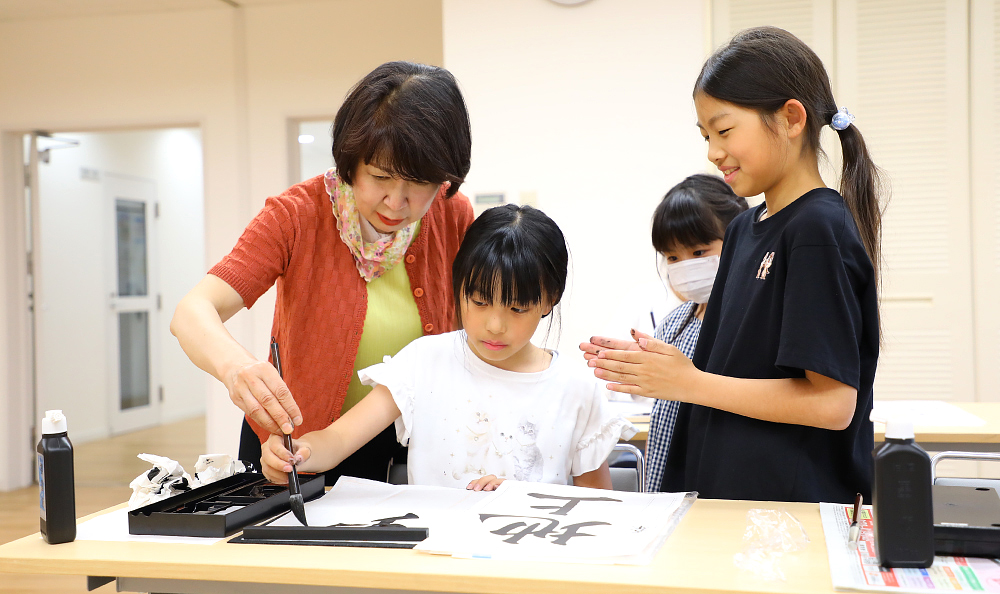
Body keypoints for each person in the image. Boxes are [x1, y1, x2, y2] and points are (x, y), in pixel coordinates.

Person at [583, 26, 884, 504]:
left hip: (789, 515)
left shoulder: (816, 229)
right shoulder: (745, 230)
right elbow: (720, 376)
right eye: (706, 136)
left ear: (790, 118)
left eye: (724, 131)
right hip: (725, 502)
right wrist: (668, 370)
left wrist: (690, 382)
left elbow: (832, 404)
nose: (713, 152)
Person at [170, 61, 474, 485]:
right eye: (380, 177)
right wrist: (236, 367)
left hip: (412, 444)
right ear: (351, 161)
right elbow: (192, 311)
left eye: (418, 183)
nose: (395, 202)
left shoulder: (452, 215)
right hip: (297, 446)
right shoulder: (297, 216)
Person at [261, 204, 636, 491]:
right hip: (435, 563)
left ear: (549, 299)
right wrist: (299, 453)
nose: (494, 324)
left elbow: (598, 508)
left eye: (517, 308)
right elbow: (339, 439)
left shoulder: (575, 388)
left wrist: (524, 500)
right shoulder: (425, 361)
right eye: (478, 301)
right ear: (458, 289)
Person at [606, 174, 746, 492]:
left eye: (698, 253)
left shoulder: (746, 319)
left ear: (737, 239)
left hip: (718, 483)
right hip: (666, 478)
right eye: (672, 257)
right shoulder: (674, 321)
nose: (684, 266)